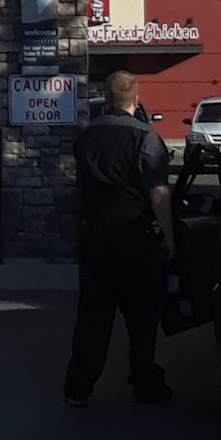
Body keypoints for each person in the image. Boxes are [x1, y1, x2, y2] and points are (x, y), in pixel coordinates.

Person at [64, 69, 175, 407]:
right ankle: (144, 382)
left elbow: (79, 186)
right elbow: (158, 192)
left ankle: (78, 387)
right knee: (142, 318)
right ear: (136, 100)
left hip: (95, 239)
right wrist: (169, 236)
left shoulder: (86, 137)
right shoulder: (147, 138)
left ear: (107, 100)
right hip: (136, 240)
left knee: (93, 317)